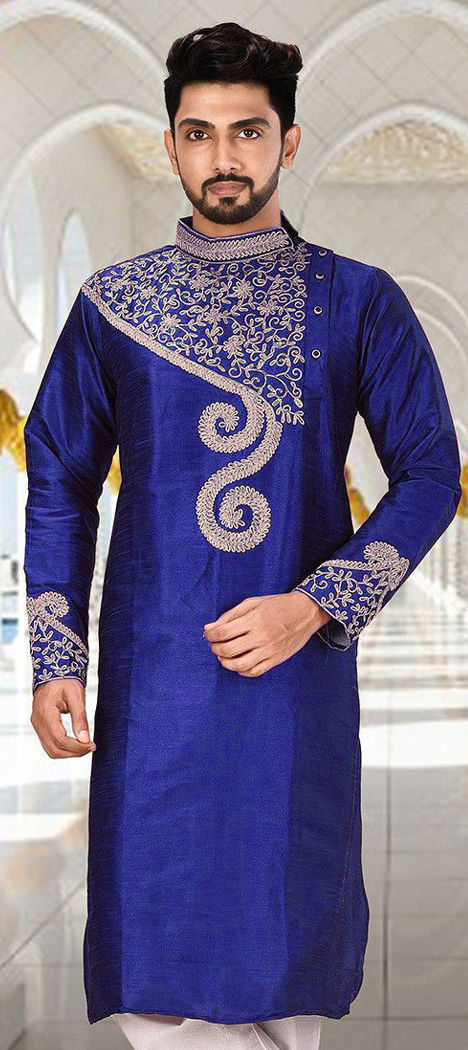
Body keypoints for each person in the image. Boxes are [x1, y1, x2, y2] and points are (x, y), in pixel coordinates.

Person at [23, 20, 461, 1050]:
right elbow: (59, 479)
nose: (224, 156)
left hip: (294, 683)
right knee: (156, 954)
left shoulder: (358, 301)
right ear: (171, 145)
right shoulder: (112, 304)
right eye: (200, 132)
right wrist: (55, 655)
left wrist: (315, 604)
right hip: (156, 682)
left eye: (248, 131)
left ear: (288, 142)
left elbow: (432, 474)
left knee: (282, 947)